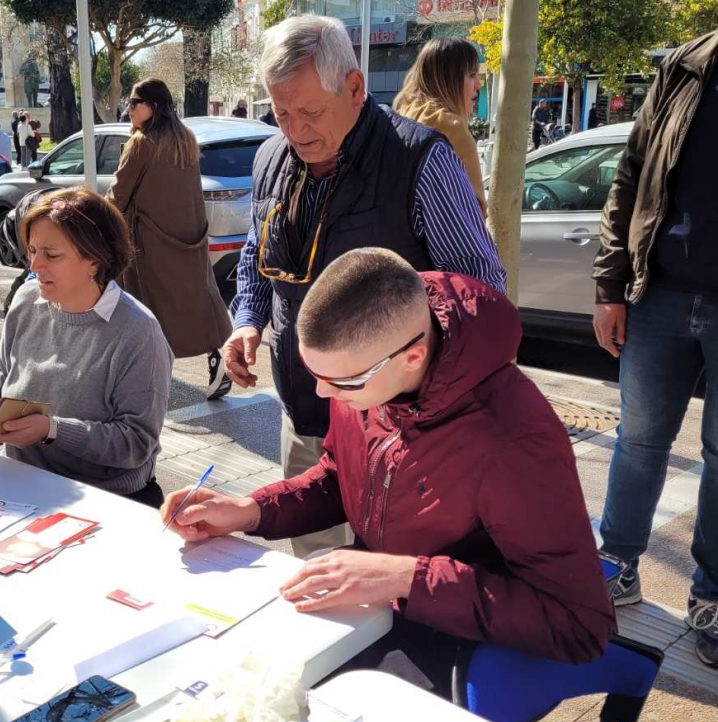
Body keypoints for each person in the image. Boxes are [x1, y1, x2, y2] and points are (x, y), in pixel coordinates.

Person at [165, 248, 614, 696]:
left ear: (414, 357)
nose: (325, 393)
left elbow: (578, 624)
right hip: (376, 606)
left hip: (460, 639)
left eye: (344, 382)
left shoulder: (515, 442)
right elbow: (343, 475)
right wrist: (251, 510)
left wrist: (406, 577)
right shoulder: (372, 375)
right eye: (314, 373)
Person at [224, 14, 506, 556]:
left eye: (310, 111)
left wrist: (426, 386)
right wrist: (248, 321)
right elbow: (258, 255)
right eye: (281, 113)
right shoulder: (270, 159)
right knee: (315, 570)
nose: (296, 130)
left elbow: (481, 291)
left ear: (355, 89)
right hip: (307, 409)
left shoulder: (420, 159)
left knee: (403, 576)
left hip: (403, 428)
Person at [592, 29, 718, 667]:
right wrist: (610, 284)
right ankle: (616, 562)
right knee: (638, 440)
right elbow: (630, 175)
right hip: (659, 294)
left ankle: (713, 594)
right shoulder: (685, 67)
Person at [0, 187, 173, 507]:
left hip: (108, 499)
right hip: (20, 482)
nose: (35, 265)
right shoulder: (26, 300)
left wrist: (52, 430)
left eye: (51, 255)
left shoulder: (138, 332)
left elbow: (135, 443)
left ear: (94, 260)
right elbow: (4, 371)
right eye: (32, 250)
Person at [108, 78, 233, 399]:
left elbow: (118, 195)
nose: (129, 109)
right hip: (189, 237)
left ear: (154, 106)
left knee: (144, 310)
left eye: (135, 103)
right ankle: (217, 357)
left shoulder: (142, 144)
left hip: (148, 244)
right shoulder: (185, 139)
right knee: (197, 300)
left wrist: (96, 219)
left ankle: (148, 377)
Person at [393, 38, 487, 217]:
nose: (479, 85)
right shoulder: (453, 129)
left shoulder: (403, 113)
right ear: (450, 79)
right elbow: (475, 214)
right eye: (472, 75)